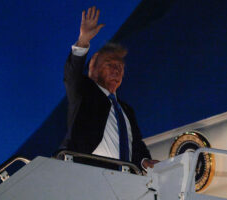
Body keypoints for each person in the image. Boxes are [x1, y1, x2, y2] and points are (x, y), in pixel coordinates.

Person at [62, 6, 158, 170]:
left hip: (123, 181)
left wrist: (144, 161)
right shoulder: (84, 93)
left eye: (120, 67)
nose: (117, 70)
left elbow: (135, 146)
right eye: (110, 65)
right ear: (93, 65)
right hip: (88, 174)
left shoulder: (126, 109)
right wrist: (83, 40)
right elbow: (72, 76)